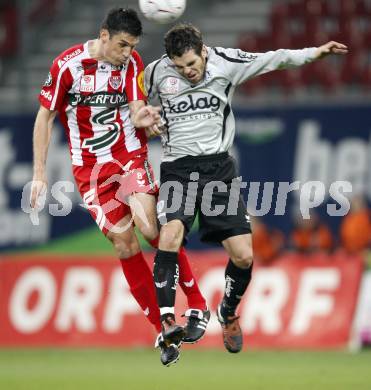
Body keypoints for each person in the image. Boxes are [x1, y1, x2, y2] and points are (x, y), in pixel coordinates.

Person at [144, 23, 348, 360]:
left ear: (204, 50)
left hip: (217, 170)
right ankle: (166, 322)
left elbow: (275, 59)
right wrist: (141, 114)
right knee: (170, 234)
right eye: (180, 68)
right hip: (177, 169)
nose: (188, 72)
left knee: (243, 255)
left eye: (192, 64)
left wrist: (315, 53)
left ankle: (228, 311)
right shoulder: (156, 72)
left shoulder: (227, 62)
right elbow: (129, 99)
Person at [30, 8, 209, 367]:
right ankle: (164, 327)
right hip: (91, 171)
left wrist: (145, 117)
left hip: (127, 156)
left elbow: (136, 107)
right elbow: (45, 116)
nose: (128, 53)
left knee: (149, 227)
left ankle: (199, 305)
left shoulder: (131, 64)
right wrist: (39, 173)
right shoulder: (67, 66)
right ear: (104, 35)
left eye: (133, 46)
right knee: (125, 244)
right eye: (123, 45)